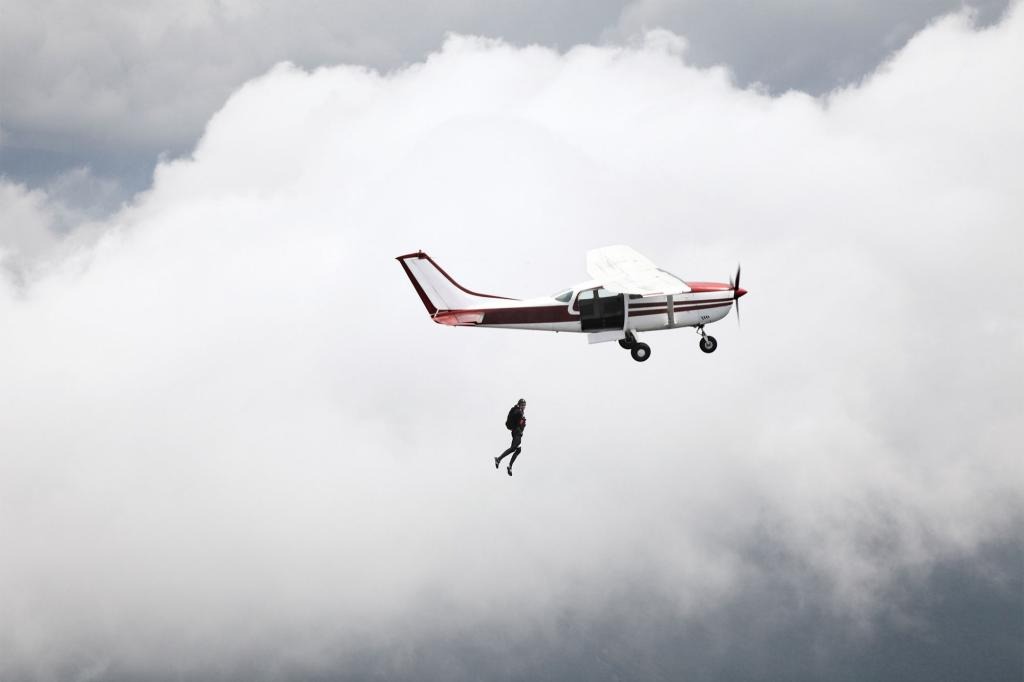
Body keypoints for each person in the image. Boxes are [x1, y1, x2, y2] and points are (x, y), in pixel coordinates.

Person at [495, 398, 526, 476]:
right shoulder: (517, 410)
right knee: (514, 448)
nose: (524, 407)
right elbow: (515, 416)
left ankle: (509, 466)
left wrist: (522, 423)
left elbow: (521, 424)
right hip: (516, 432)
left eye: (524, 405)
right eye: (522, 405)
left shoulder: (521, 413)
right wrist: (521, 418)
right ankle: (499, 459)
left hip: (517, 433)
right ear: (519, 404)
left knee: (518, 449)